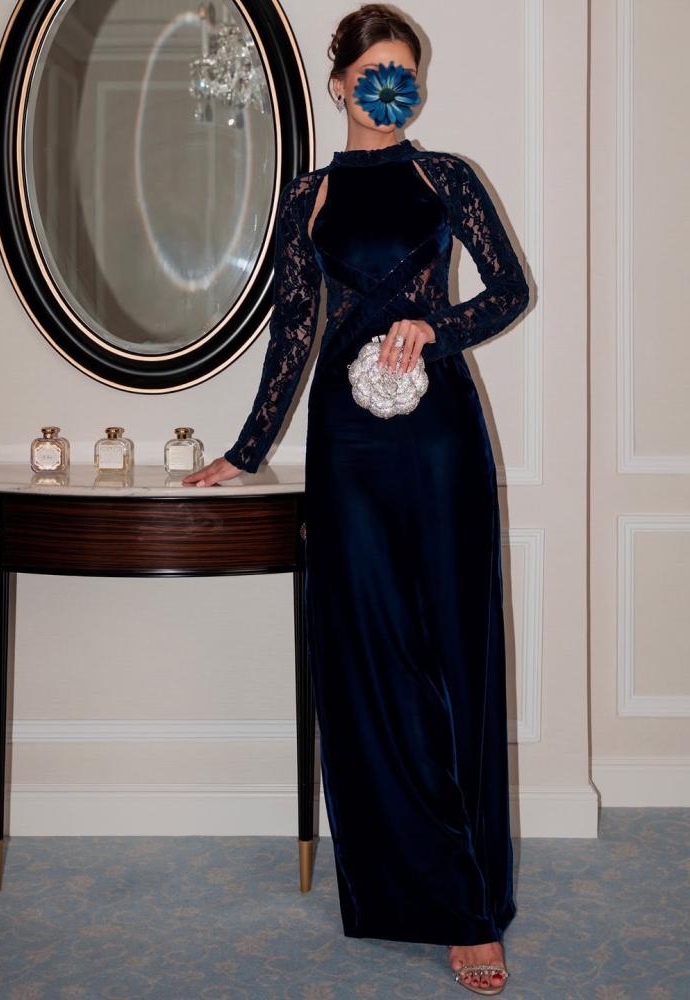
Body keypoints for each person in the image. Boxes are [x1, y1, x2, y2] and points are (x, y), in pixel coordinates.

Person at [183, 4, 530, 995]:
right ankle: (404, 888)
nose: (387, 88)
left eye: (402, 74)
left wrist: (436, 325)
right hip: (348, 450)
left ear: (416, 86)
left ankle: (470, 907)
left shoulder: (447, 175)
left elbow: (508, 289)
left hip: (441, 440)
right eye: (372, 71)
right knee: (371, 657)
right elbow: (293, 328)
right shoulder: (310, 195)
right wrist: (247, 451)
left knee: (451, 650)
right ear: (339, 82)